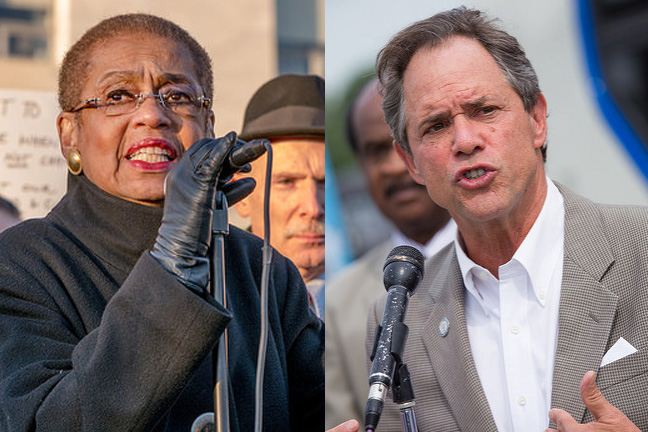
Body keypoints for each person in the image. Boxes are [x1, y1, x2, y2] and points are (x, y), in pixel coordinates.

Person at [329, 7, 647, 432]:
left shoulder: (640, 248)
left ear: (536, 120)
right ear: (412, 162)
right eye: (436, 126)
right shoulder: (397, 316)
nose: (465, 141)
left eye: (484, 110)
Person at [0, 14, 323, 432]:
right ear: (69, 134)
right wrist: (174, 264)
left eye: (178, 96)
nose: (153, 115)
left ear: (209, 125)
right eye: (117, 95)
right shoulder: (20, 266)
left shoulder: (263, 269)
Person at [325, 77, 455, 428]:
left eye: (407, 145)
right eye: (376, 151)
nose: (396, 167)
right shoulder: (340, 302)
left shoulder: (503, 258)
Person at [233, 74, 325, 317]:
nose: (313, 207)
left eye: (323, 183)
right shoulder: (212, 297)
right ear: (242, 195)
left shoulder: (377, 296)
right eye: (287, 182)